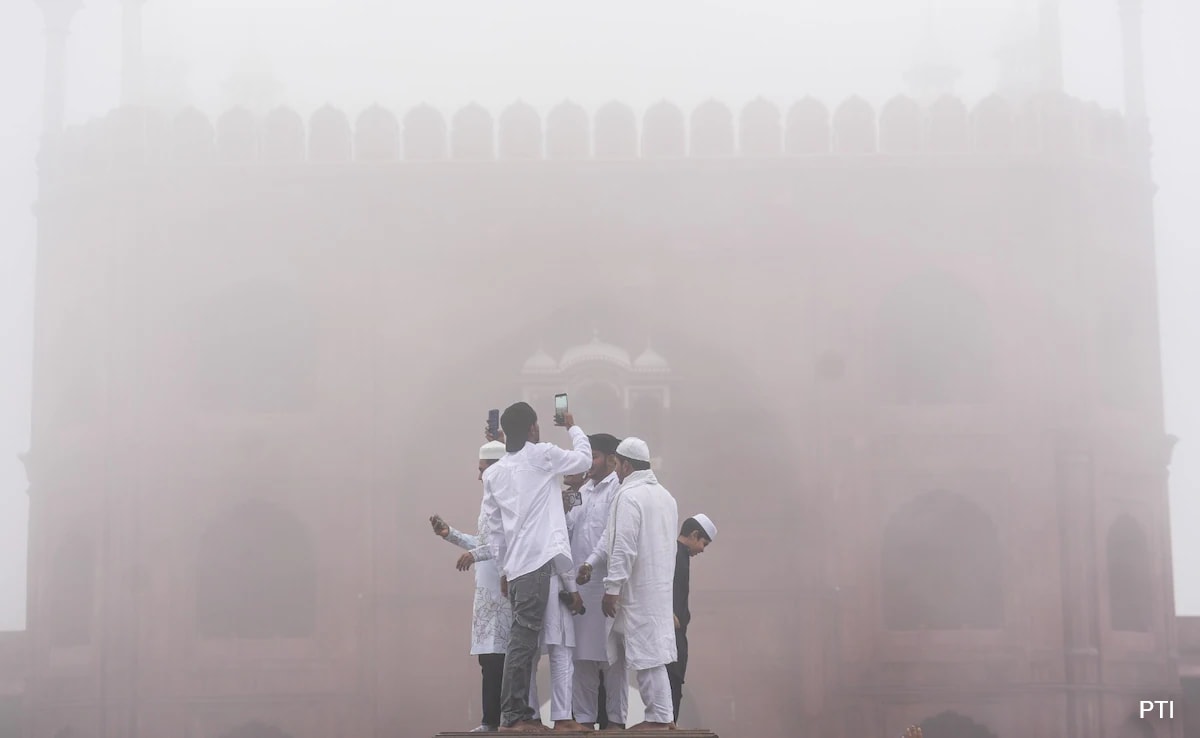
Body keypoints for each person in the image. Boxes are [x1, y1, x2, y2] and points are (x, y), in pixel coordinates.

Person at [482, 401, 591, 733]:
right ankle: (514, 717)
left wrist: (503, 570)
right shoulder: (542, 455)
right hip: (539, 561)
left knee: (526, 641)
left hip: (517, 567)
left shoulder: (494, 473)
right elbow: (584, 459)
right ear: (533, 428)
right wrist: (572, 425)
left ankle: (523, 714)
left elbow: (495, 529)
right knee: (524, 640)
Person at [429, 440, 541, 732]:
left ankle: (504, 719)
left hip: (505, 591)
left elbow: (502, 544)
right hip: (487, 593)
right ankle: (489, 720)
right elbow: (483, 544)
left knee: (503, 661)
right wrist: (450, 535)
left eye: (483, 470)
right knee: (488, 660)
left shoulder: (511, 500)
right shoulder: (491, 501)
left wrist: (474, 554)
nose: (479, 477)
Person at [600, 437, 678, 731]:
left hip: (634, 589)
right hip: (657, 587)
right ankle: (654, 716)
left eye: (617, 465)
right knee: (647, 653)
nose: (616, 471)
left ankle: (658, 718)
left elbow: (623, 546)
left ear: (627, 465)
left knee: (646, 656)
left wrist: (612, 588)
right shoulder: (667, 497)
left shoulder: (628, 495)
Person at [568, 433, 628, 731]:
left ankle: (616, 723)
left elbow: (611, 538)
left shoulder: (618, 491)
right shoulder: (585, 490)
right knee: (581, 660)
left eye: (594, 456)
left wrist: (592, 565)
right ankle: (584, 720)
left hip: (606, 589)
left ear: (611, 460)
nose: (589, 463)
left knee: (613, 661)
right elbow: (570, 531)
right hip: (580, 592)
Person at [666, 514, 716, 725]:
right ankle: (667, 721)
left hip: (677, 628)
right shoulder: (675, 555)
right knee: (671, 677)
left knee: (676, 678)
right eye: (703, 543)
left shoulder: (680, 556)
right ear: (694, 535)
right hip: (671, 629)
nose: (702, 549)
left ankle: (670, 720)